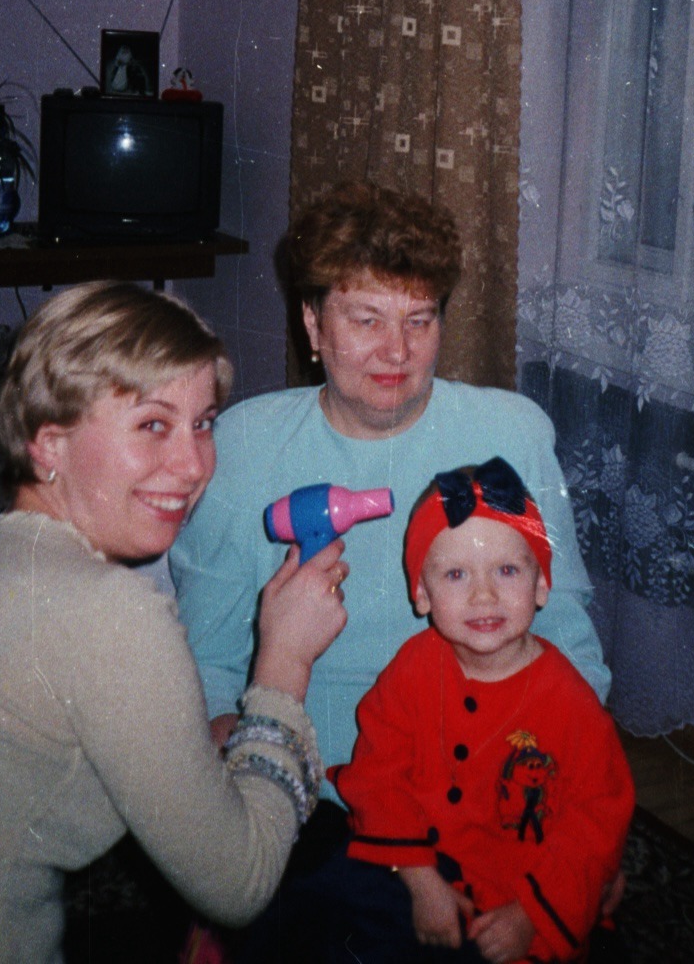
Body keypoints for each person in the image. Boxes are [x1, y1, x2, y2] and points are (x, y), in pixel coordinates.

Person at [169, 180, 612, 956]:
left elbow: (567, 631)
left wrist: (580, 813)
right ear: (313, 325)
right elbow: (205, 658)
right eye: (364, 319)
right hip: (314, 791)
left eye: (419, 319)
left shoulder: (510, 433)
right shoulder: (240, 447)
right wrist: (237, 774)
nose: (396, 351)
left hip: (487, 788)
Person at [0, 281, 348, 964]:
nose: (193, 466)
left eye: (204, 422)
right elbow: (239, 885)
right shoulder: (110, 611)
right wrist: (284, 664)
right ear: (48, 445)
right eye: (153, 424)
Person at [331, 459, 635, 963]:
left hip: (513, 898)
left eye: (507, 570)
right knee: (328, 908)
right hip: (412, 868)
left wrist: (529, 915)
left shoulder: (571, 704)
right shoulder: (412, 669)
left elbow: (597, 824)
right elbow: (377, 775)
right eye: (456, 574)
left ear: (540, 585)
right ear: (422, 595)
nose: (484, 594)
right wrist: (421, 882)